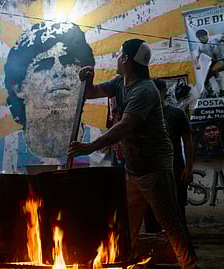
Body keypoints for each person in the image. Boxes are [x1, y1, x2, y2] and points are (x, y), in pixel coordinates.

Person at [68, 39, 198, 269]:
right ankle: (123, 262)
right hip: (133, 170)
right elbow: (92, 92)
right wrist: (86, 77)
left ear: (126, 59)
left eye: (119, 54)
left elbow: (125, 126)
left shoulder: (145, 90)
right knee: (126, 224)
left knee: (170, 224)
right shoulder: (119, 82)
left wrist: (90, 147)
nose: (117, 58)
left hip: (155, 169)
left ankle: (190, 265)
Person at [3, 21, 95, 170]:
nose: (59, 71)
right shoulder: (7, 152)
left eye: (68, 61)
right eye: (44, 65)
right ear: (18, 87)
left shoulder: (100, 144)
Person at [143, 79, 194, 233]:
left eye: (156, 91)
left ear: (164, 92)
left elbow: (188, 142)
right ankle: (154, 250)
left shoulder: (177, 113)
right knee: (151, 212)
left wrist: (188, 168)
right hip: (150, 173)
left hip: (175, 170)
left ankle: (182, 251)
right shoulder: (143, 115)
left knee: (177, 210)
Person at [194, 29, 224, 98]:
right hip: (213, 61)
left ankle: (222, 90)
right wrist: (197, 64)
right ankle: (212, 93)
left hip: (223, 60)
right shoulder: (199, 46)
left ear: (206, 36)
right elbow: (196, 57)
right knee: (205, 81)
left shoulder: (216, 38)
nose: (200, 39)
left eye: (201, 37)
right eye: (199, 38)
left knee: (214, 70)